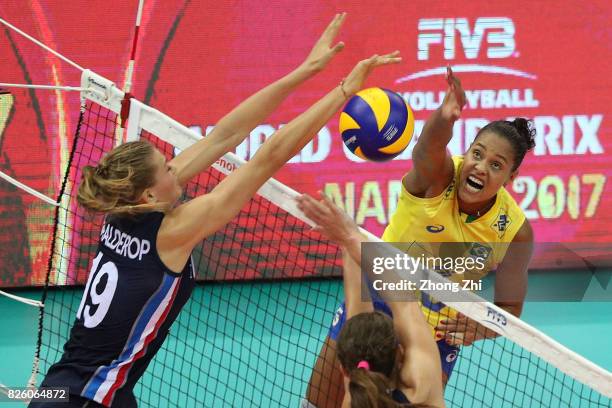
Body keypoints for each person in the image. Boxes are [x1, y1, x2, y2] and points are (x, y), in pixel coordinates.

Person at [30, 14, 402, 407]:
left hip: (55, 388)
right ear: (147, 196)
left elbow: (226, 133)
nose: (176, 166)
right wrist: (344, 90)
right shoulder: (172, 231)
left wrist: (306, 71)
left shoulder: (120, 208)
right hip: (88, 399)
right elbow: (268, 156)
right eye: (167, 169)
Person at [304, 67, 535, 407]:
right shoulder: (439, 177)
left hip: (435, 335)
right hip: (377, 303)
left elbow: (510, 308)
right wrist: (445, 116)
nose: (481, 167)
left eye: (496, 165)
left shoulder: (515, 232)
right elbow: (427, 148)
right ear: (467, 151)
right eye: (477, 153)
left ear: (511, 177)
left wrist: (483, 329)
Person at [297, 193, 445, 408]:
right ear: (400, 353)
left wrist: (347, 241)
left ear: (345, 371)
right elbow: (404, 303)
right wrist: (349, 236)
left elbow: (357, 309)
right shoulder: (421, 388)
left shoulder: (352, 399)